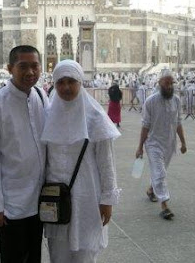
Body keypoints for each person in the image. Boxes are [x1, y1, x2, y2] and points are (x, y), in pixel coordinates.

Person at [41, 60, 120, 263]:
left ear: (80, 83)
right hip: (55, 198)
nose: (66, 87)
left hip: (87, 197)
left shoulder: (94, 117)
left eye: (71, 82)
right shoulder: (48, 115)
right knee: (58, 255)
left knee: (85, 255)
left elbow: (106, 163)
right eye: (61, 82)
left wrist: (107, 200)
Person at [0, 45, 48, 263]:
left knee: (33, 256)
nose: (30, 72)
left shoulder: (40, 95)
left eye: (35, 66)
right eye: (23, 66)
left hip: (40, 200)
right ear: (10, 68)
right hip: (12, 204)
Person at [136, 74, 187, 220]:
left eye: (172, 83)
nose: (169, 86)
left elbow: (178, 123)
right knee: (160, 173)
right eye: (167, 83)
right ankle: (164, 205)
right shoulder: (150, 101)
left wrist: (183, 142)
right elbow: (145, 126)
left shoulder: (176, 100)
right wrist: (140, 147)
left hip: (169, 144)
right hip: (153, 143)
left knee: (161, 171)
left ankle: (151, 190)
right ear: (159, 84)